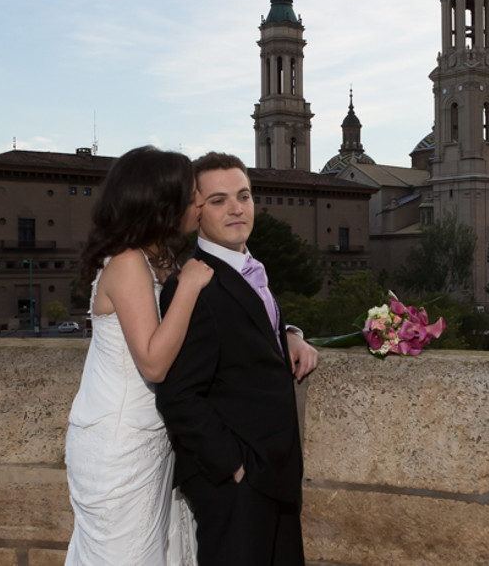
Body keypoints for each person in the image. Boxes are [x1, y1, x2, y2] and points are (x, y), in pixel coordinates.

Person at [156, 152, 316, 566]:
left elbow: (244, 334)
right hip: (237, 483)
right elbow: (177, 394)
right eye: (218, 200)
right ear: (196, 210)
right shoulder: (193, 284)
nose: (236, 208)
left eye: (243, 196)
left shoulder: (247, 267)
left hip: (275, 474)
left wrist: (290, 334)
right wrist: (233, 468)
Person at [65, 146, 214, 566]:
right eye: (191, 197)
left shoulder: (153, 261)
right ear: (160, 206)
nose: (199, 203)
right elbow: (152, 361)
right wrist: (187, 287)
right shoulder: (129, 263)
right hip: (119, 443)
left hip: (145, 437)